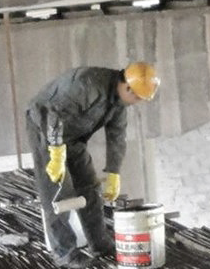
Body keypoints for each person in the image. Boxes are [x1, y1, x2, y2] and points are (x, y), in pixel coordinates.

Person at [26, 62, 160, 267]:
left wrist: (114, 171)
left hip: (73, 137)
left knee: (90, 186)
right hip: (44, 128)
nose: (137, 102)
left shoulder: (118, 104)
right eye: (138, 98)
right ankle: (65, 253)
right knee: (57, 191)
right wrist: (56, 152)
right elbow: (53, 113)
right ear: (128, 87)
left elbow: (117, 137)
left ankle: (100, 244)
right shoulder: (87, 85)